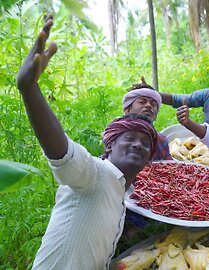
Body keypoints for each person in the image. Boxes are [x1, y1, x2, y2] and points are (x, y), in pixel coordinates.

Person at [17, 15, 158, 269]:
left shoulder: (122, 193)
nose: (138, 145)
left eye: (145, 143)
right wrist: (30, 90)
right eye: (130, 139)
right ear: (109, 146)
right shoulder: (95, 174)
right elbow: (61, 151)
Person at [122, 76, 172, 161]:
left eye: (153, 104)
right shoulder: (116, 135)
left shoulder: (160, 140)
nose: (148, 105)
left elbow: (170, 168)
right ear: (128, 109)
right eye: (142, 102)